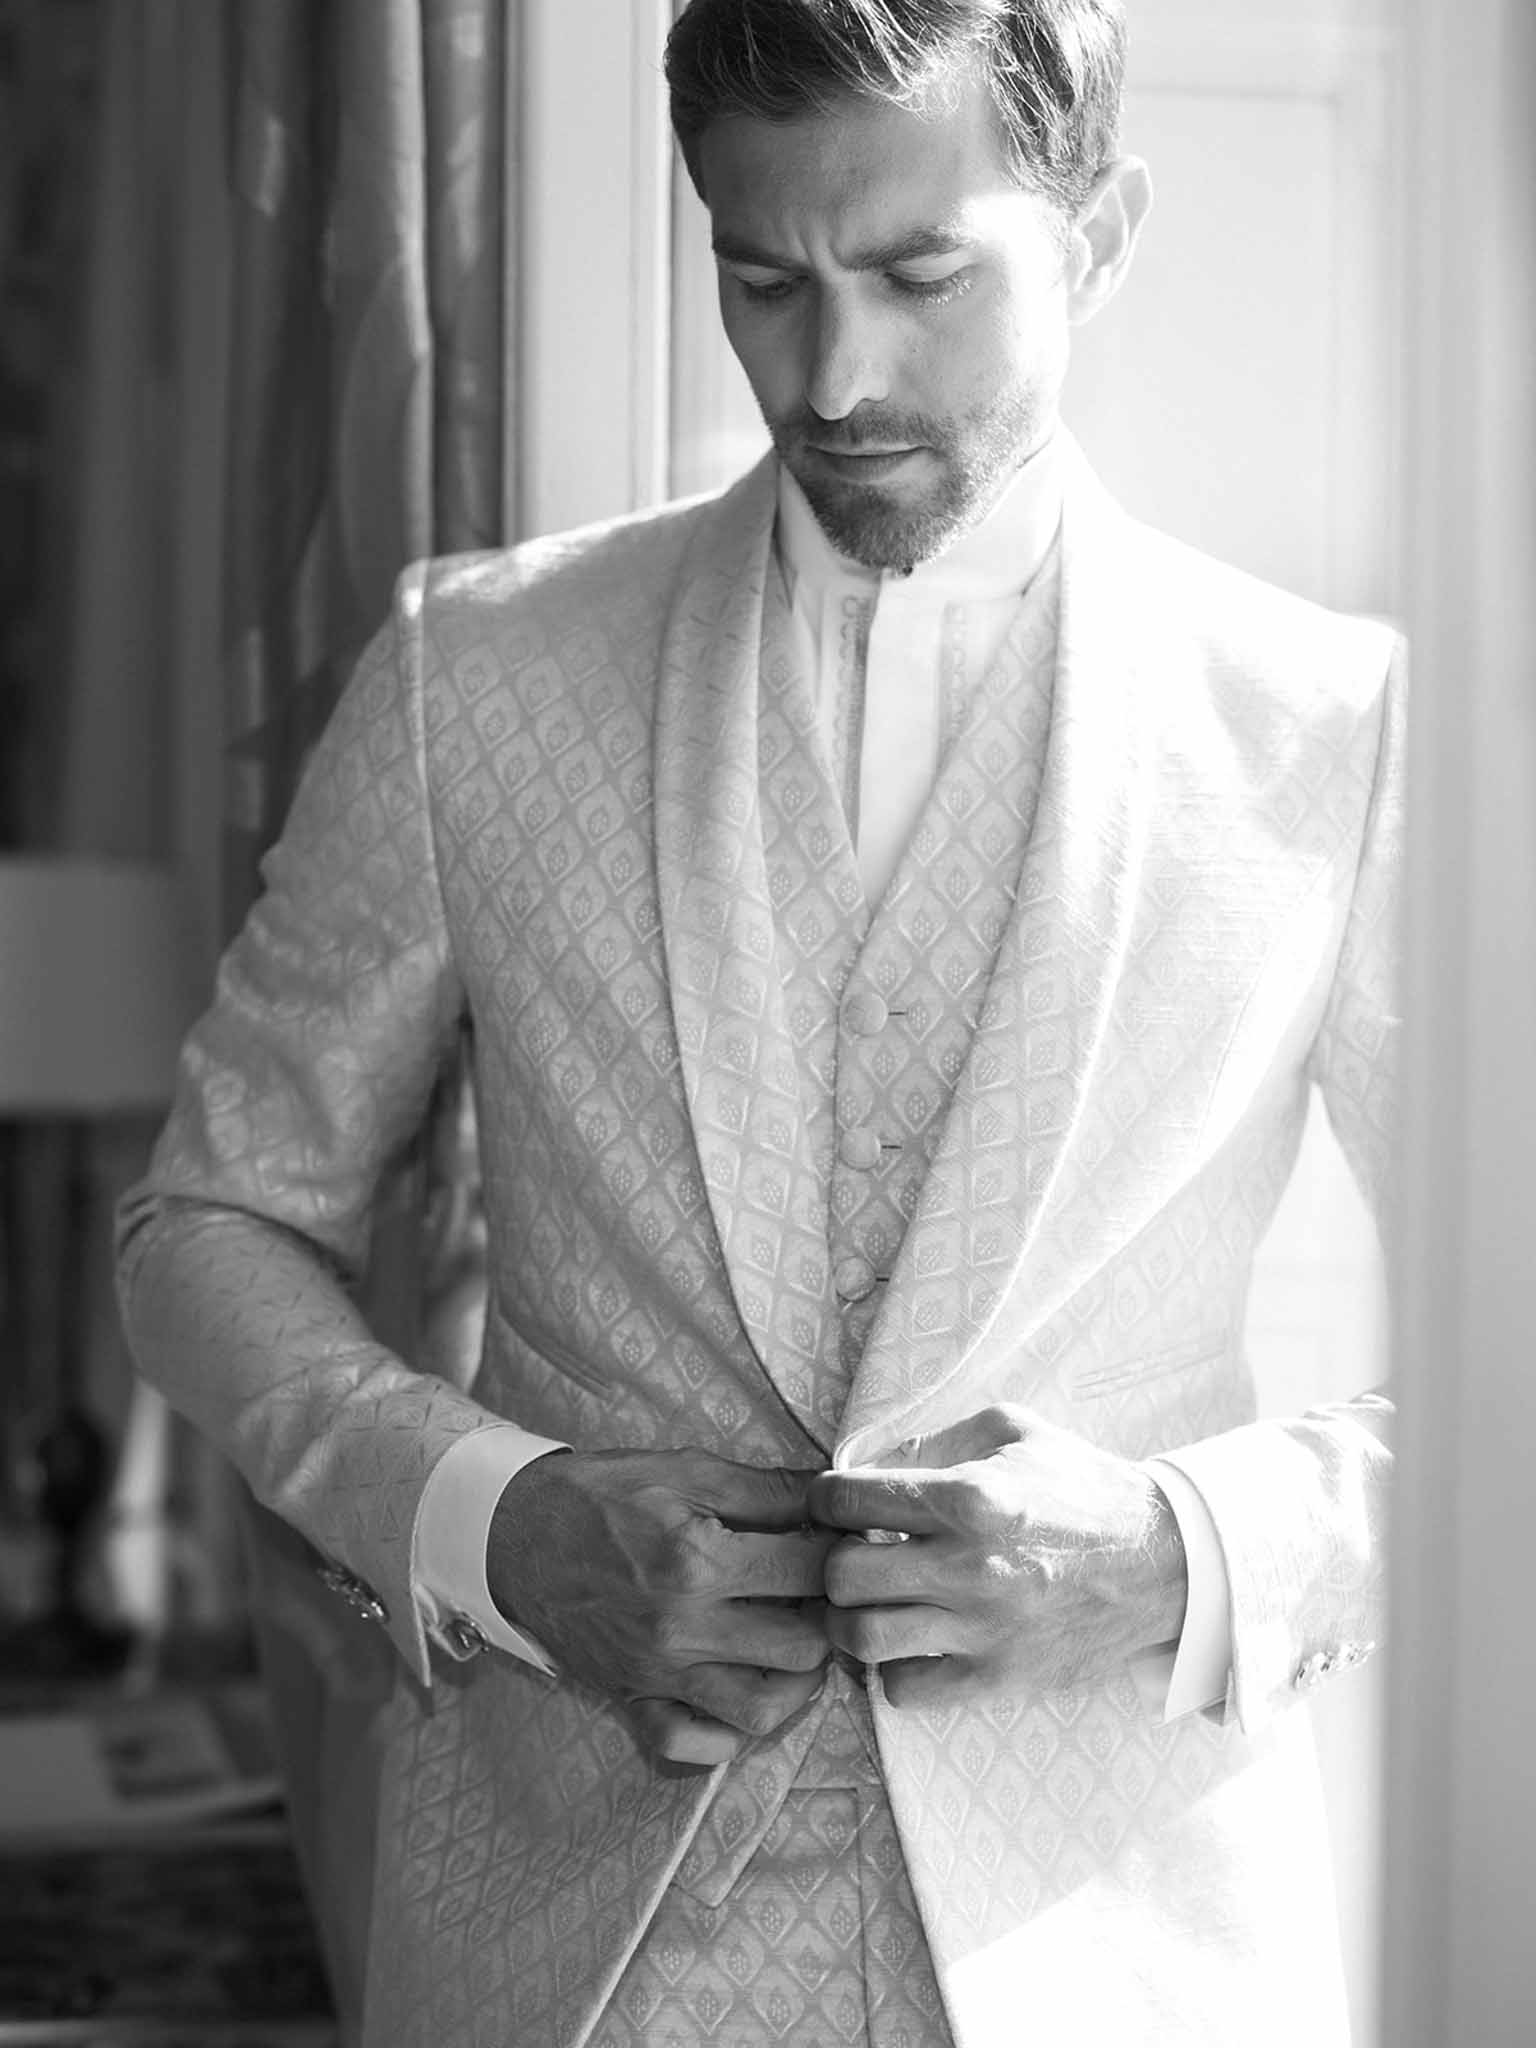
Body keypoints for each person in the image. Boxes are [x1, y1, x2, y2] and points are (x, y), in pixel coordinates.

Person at [116, 2, 1400, 2043]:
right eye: (761, 279)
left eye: (920, 275)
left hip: (1126, 1958)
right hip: (571, 1954)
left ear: (1104, 232)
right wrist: (489, 1516)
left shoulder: (1337, 732)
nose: (837, 376)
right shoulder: (482, 670)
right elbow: (204, 1233)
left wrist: (1182, 1551)